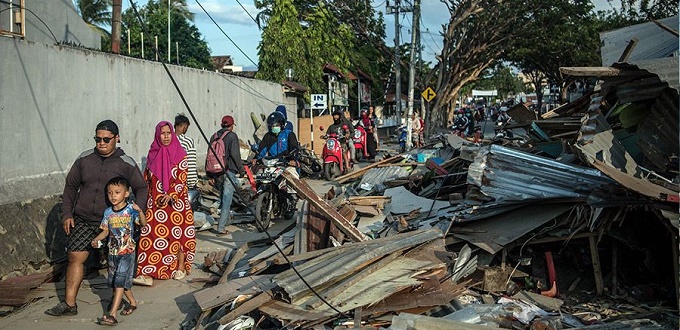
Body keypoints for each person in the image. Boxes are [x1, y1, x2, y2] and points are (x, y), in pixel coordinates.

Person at [45, 120, 147, 317]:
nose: (102, 143)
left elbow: (141, 188)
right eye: (98, 139)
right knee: (75, 256)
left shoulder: (126, 163)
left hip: (114, 223)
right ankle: (69, 304)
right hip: (83, 219)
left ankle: (116, 305)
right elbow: (70, 187)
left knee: (115, 264)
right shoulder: (84, 159)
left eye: (106, 139)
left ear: (117, 138)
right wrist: (67, 214)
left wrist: (136, 210)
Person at [134, 121, 195, 285]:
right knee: (150, 236)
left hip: (176, 204)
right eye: (163, 133)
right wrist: (143, 203)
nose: (166, 136)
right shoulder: (152, 155)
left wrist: (172, 194)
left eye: (169, 133)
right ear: (157, 135)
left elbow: (182, 179)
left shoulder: (180, 154)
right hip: (155, 204)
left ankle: (179, 267)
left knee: (178, 236)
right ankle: (147, 273)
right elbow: (146, 181)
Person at [92, 177, 146, 326]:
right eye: (110, 193)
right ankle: (133, 303)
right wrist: (97, 239)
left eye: (117, 192)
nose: (113, 196)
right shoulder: (108, 212)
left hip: (127, 252)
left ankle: (112, 314)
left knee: (119, 282)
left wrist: (140, 211)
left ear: (126, 194)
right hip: (113, 253)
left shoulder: (130, 210)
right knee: (116, 281)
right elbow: (105, 231)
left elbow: (143, 223)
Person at [207, 115, 245, 236]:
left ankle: (225, 221)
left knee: (223, 198)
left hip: (216, 172)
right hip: (228, 171)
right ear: (232, 126)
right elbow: (235, 154)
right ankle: (221, 228)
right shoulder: (232, 136)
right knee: (227, 200)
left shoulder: (214, 136)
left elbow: (209, 155)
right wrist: (241, 169)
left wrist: (209, 175)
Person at [174, 114, 198, 189]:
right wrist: (192, 182)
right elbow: (191, 164)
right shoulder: (187, 141)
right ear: (185, 126)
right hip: (184, 184)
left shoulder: (167, 141)